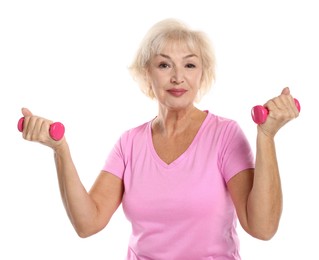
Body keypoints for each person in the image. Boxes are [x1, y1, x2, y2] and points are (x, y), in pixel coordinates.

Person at [20, 18, 300, 260]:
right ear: (147, 73)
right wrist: (60, 150)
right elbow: (88, 223)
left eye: (189, 65)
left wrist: (266, 135)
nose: (178, 77)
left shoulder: (224, 135)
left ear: (202, 75)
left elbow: (262, 228)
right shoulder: (129, 143)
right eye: (164, 65)